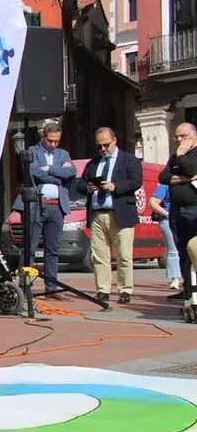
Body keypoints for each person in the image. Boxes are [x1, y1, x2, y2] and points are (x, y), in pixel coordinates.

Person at [76, 126, 142, 304]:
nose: (103, 149)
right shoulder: (94, 163)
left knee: (124, 255)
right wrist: (88, 187)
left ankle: (125, 290)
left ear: (114, 140)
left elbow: (136, 181)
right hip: (97, 213)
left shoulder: (129, 160)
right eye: (99, 146)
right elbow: (80, 184)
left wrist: (115, 187)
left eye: (106, 145)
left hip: (120, 213)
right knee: (99, 256)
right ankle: (103, 290)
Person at [20, 123, 77, 298]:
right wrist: (59, 176)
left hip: (57, 206)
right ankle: (24, 286)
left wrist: (51, 169)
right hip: (36, 204)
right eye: (50, 140)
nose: (53, 144)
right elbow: (34, 172)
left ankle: (51, 288)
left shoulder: (63, 154)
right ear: (43, 137)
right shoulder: (32, 151)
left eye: (56, 141)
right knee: (29, 246)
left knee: (52, 249)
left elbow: (72, 172)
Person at [159, 123, 197, 305]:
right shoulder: (174, 156)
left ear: (195, 136)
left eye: (183, 136)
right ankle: (187, 290)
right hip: (176, 210)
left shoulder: (187, 154)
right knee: (182, 251)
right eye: (176, 137)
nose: (179, 140)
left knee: (194, 250)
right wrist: (186, 179)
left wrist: (182, 156)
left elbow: (191, 169)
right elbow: (163, 177)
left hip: (193, 209)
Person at [150, 183, 182, 294]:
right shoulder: (166, 184)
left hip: (185, 219)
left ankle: (183, 279)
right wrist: (168, 214)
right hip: (168, 220)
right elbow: (153, 202)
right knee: (173, 250)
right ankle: (175, 279)